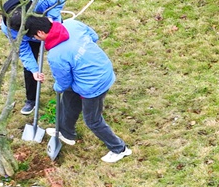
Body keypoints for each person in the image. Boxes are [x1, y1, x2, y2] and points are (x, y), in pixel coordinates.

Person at [11, 13, 131, 163]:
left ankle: (119, 149)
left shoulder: (56, 55)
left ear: (41, 32)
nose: (35, 40)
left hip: (93, 84)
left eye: (34, 37)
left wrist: (57, 87)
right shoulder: (72, 24)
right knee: (69, 97)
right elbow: (93, 36)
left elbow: (64, 81)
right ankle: (66, 132)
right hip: (102, 67)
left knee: (92, 120)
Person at [1, 0, 67, 115]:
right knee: (29, 68)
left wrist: (51, 18)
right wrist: (34, 70)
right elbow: (24, 50)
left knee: (63, 57)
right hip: (29, 41)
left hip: (51, 27)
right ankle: (32, 100)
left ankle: (69, 90)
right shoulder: (8, 29)